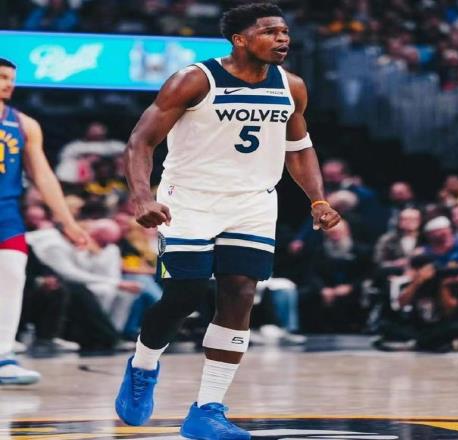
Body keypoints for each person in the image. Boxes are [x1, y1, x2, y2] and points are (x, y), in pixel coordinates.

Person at [114, 3, 341, 439]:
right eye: (270, 31)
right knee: (185, 294)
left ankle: (207, 409)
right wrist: (142, 196)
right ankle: (143, 366)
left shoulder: (292, 86)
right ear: (240, 39)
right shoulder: (194, 79)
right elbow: (141, 142)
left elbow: (299, 148)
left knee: (240, 294)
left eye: (284, 32)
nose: (282, 39)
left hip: (253, 202)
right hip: (190, 200)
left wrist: (317, 199)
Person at [0, 58, 88, 385]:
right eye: (2, 77)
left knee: (12, 277)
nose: (8, 83)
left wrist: (68, 222)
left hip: (7, 214)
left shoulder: (24, 124)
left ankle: (3, 357)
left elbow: (43, 176)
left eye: (11, 78)